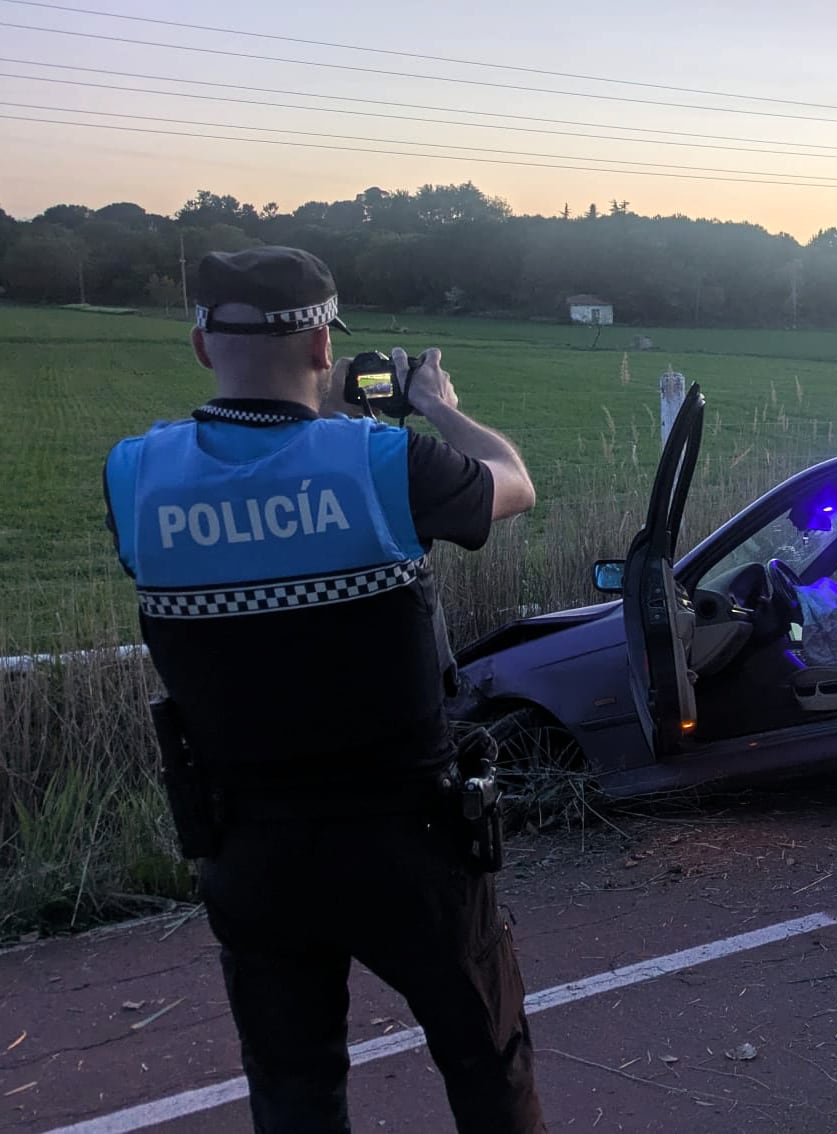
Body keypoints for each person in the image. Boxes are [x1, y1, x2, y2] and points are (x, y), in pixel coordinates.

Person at [102, 246, 546, 1131]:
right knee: (484, 1060)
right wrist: (435, 405)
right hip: (408, 841)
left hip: (248, 847)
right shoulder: (383, 460)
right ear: (320, 346)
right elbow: (515, 484)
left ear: (201, 345)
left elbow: (253, 496)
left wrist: (316, 425)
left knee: (293, 1085)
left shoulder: (135, 475)